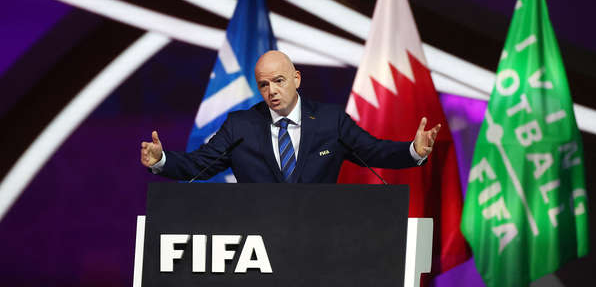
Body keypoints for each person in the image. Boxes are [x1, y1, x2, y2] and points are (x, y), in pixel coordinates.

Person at [141, 50, 440, 183]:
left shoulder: (330, 121)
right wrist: (161, 159)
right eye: (263, 85)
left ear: (296, 79)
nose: (271, 90)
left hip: (320, 239)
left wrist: (413, 150)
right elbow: (199, 165)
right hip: (258, 243)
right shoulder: (240, 126)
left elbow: (374, 151)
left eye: (279, 81)